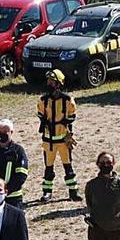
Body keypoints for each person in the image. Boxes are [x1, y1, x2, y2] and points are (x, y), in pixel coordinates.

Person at [37, 69, 81, 203]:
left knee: (68, 166)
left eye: (52, 81)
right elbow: (41, 115)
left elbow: (71, 116)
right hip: (48, 140)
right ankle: (47, 192)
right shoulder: (43, 100)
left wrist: (67, 131)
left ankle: (73, 192)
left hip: (63, 139)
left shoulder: (68, 100)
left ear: (58, 83)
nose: (48, 84)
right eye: (48, 81)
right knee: (48, 167)